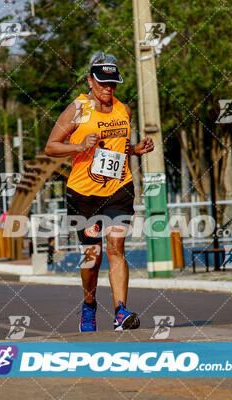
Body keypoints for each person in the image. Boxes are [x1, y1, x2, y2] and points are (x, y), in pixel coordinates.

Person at [45, 51, 154, 332]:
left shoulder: (123, 110)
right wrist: (79, 146)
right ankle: (89, 305)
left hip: (119, 187)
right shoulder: (78, 109)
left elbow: (117, 146)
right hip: (83, 194)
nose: (108, 88)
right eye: (103, 82)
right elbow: (51, 146)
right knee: (93, 256)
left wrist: (135, 150)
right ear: (90, 80)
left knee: (117, 247)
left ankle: (120, 311)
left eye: (113, 83)